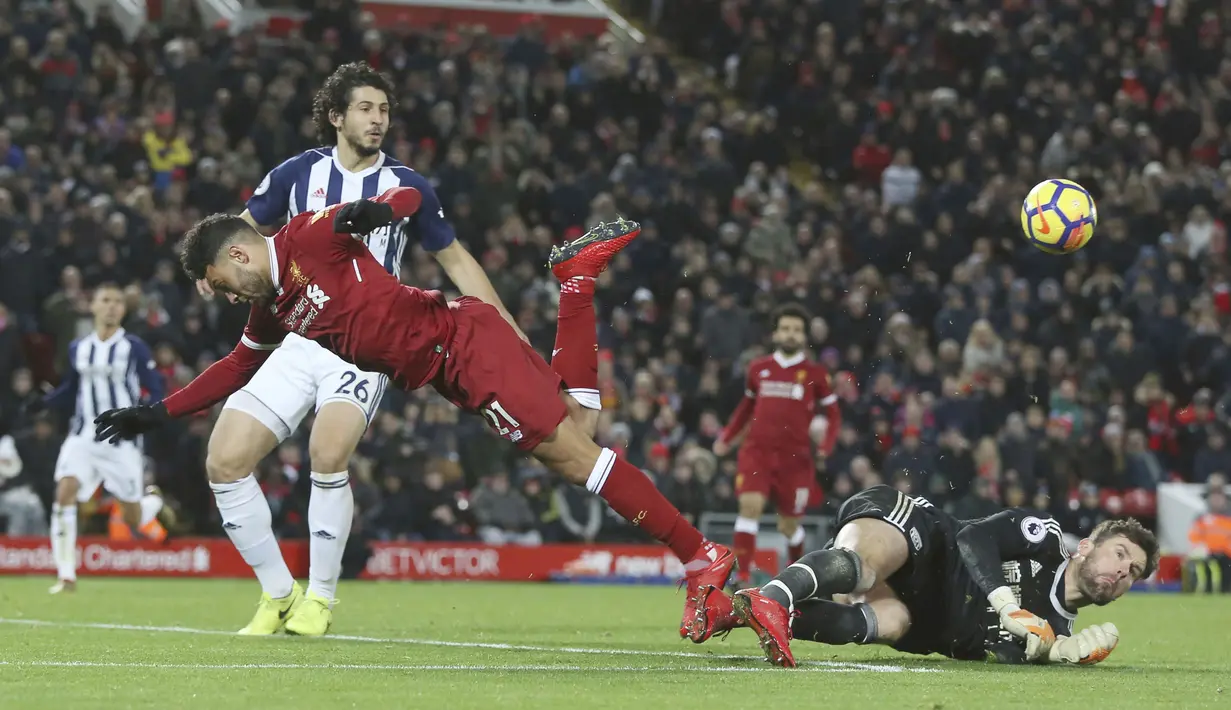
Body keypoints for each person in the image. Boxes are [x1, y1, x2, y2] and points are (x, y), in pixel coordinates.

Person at [94, 189, 735, 636]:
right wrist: (159, 411)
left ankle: (701, 554)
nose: (231, 298)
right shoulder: (273, 308)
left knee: (575, 455)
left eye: (225, 284)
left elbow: (401, 200)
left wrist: (380, 211)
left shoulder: (307, 236)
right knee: (578, 431)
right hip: (450, 368)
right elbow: (238, 367)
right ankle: (575, 284)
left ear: (237, 256)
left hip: (465, 347)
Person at [192, 62, 611, 636]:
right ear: (336, 117)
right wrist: (208, 274)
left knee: (328, 451)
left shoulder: (406, 184)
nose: (377, 120)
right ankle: (277, 595)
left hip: (361, 346)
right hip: (296, 337)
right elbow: (237, 233)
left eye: (384, 110)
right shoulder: (295, 175)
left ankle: (320, 599)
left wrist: (508, 329)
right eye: (365, 109)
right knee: (224, 459)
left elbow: (456, 259)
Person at [690, 485, 1157, 666]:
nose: (1121, 571)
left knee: (890, 623)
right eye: (1120, 554)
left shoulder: (1059, 636)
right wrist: (1008, 607)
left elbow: (985, 655)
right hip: (926, 536)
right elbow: (975, 538)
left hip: (921, 616)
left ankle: (733, 607)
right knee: (865, 565)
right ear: (1087, 546)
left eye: (1133, 572)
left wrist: (1053, 656)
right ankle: (775, 593)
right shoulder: (1047, 538)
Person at [27, 283, 164, 593]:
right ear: (94, 307)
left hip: (121, 440)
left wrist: (140, 420)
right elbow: (70, 389)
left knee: (132, 518)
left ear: (123, 309)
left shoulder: (134, 347)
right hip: (83, 437)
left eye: (117, 301)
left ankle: (151, 501)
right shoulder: (79, 347)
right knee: (64, 492)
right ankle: (66, 575)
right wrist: (43, 402)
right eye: (105, 300)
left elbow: (155, 390)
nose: (112, 306)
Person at [710, 303, 839, 599]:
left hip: (796, 460)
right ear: (776, 333)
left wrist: (827, 445)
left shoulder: (815, 374)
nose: (790, 334)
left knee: (788, 525)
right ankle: (742, 578)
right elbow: (746, 408)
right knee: (750, 507)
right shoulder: (758, 369)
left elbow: (834, 415)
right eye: (785, 328)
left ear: (804, 336)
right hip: (757, 452)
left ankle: (795, 573)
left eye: (796, 330)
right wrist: (727, 437)